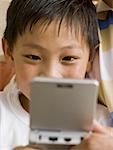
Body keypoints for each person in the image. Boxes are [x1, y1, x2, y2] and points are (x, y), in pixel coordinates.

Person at [0, 0, 112, 149]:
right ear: (9, 52)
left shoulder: (101, 124)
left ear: (90, 58)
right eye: (33, 57)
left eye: (68, 58)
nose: (50, 75)